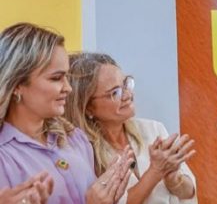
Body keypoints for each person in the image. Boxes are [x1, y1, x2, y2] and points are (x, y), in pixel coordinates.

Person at [0, 22, 133, 204]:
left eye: (67, 77)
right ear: (17, 85)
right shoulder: (4, 157)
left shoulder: (75, 139)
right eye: (56, 78)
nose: (68, 88)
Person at [65, 52, 198, 203]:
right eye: (115, 93)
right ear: (88, 108)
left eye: (125, 84)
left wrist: (173, 179)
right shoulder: (81, 152)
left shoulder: (153, 129)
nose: (127, 95)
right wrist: (155, 171)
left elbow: (189, 193)